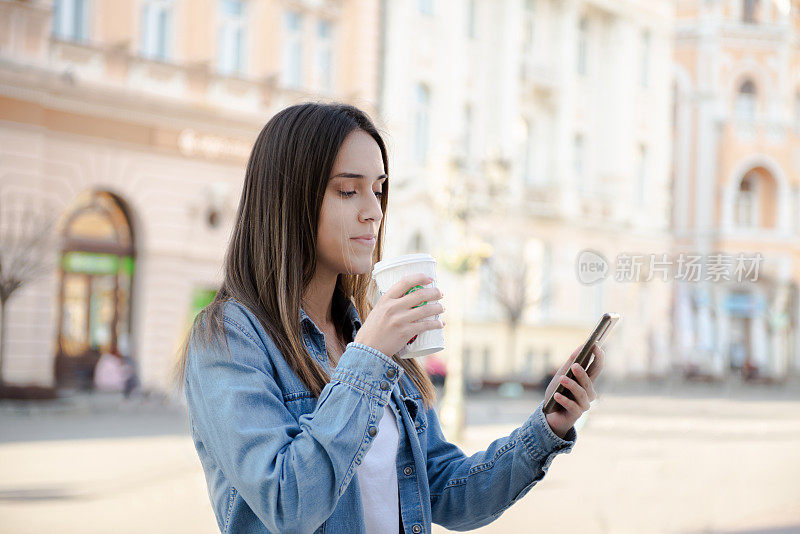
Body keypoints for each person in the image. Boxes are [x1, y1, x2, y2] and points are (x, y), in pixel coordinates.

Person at [174, 102, 605, 534]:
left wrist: (547, 425)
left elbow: (448, 491)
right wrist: (369, 358)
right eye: (348, 190)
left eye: (379, 189)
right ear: (289, 199)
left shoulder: (365, 334)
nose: (374, 211)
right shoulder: (229, 339)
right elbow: (289, 502)